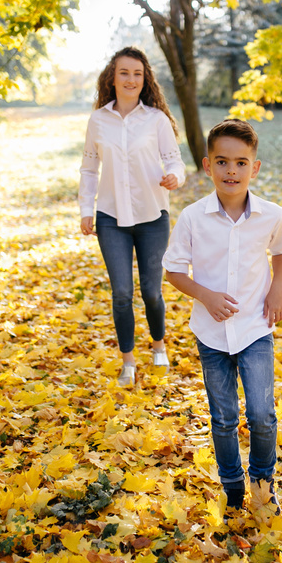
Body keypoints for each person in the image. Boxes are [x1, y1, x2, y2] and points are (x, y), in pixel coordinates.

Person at [162, 119, 282, 512]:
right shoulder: (192, 217)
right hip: (212, 333)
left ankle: (263, 483)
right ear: (207, 166)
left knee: (262, 414)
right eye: (222, 162)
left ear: (255, 167)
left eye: (240, 163)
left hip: (255, 327)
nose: (231, 171)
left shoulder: (271, 214)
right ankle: (233, 487)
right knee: (223, 418)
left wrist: (277, 288)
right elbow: (173, 270)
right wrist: (204, 296)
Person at [79, 46, 187, 386]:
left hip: (152, 216)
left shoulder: (156, 120)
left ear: (145, 79)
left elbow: (175, 161)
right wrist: (86, 210)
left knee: (152, 292)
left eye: (137, 74)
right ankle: (128, 362)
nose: (131, 79)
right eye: (124, 72)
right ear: (112, 77)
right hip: (110, 217)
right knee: (122, 293)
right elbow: (89, 169)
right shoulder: (98, 120)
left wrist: (175, 177)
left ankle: (158, 345)